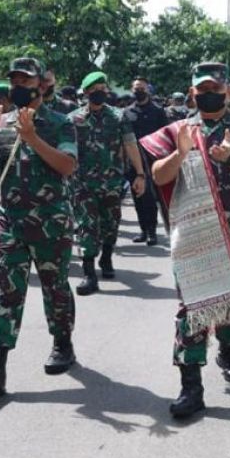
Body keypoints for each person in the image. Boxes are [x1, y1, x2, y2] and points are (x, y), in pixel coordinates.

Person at [142, 62, 230, 419]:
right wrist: (180, 154)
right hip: (192, 233)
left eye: (215, 88)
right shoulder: (179, 129)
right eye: (201, 89)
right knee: (191, 305)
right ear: (192, 91)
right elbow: (157, 174)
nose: (207, 94)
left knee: (229, 300)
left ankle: (229, 350)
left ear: (227, 91)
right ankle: (191, 386)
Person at [0, 57, 79, 397]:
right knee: (6, 292)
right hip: (10, 222)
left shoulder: (61, 123)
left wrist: (32, 137)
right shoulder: (1, 122)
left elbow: (67, 166)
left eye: (26, 81)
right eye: (14, 81)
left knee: (55, 287)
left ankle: (62, 342)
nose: (19, 87)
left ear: (42, 85)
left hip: (51, 222)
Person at [69, 72, 146, 296]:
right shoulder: (74, 119)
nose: (100, 92)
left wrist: (140, 174)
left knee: (111, 223)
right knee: (86, 225)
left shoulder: (119, 117)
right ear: (85, 92)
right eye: (94, 89)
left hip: (112, 181)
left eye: (103, 87)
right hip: (82, 183)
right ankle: (89, 274)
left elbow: (130, 145)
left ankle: (107, 257)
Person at [123, 76, 168, 246]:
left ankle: (152, 231)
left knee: (150, 197)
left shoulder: (158, 111)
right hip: (133, 161)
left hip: (152, 160)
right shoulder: (127, 112)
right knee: (138, 197)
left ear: (148, 89)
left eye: (141, 88)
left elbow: (165, 134)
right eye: (135, 88)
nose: (138, 91)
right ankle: (143, 230)